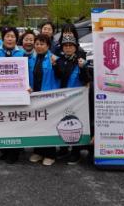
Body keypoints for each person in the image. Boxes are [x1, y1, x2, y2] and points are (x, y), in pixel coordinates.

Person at [53, 35, 90, 164]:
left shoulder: (81, 61)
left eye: (71, 45)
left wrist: (83, 68)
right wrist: (55, 66)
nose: (68, 48)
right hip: (61, 98)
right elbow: (57, 77)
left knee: (75, 124)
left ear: (75, 47)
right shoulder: (59, 61)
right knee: (61, 122)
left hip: (76, 100)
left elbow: (86, 80)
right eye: (65, 46)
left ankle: (75, 152)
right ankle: (63, 149)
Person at [0, 26, 26, 164]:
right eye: (7, 36)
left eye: (13, 36)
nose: (10, 39)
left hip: (17, 93)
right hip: (0, 92)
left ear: (16, 39)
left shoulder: (22, 53)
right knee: (2, 121)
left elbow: (26, 73)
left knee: (15, 121)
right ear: (3, 38)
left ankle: (14, 152)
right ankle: (4, 150)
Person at [27, 34, 60, 166]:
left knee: (48, 125)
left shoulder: (54, 59)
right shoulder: (31, 59)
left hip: (49, 98)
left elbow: (60, 76)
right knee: (37, 124)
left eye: (42, 44)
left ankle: (50, 154)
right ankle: (38, 151)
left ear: (48, 46)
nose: (39, 46)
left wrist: (56, 65)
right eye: (37, 44)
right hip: (34, 96)